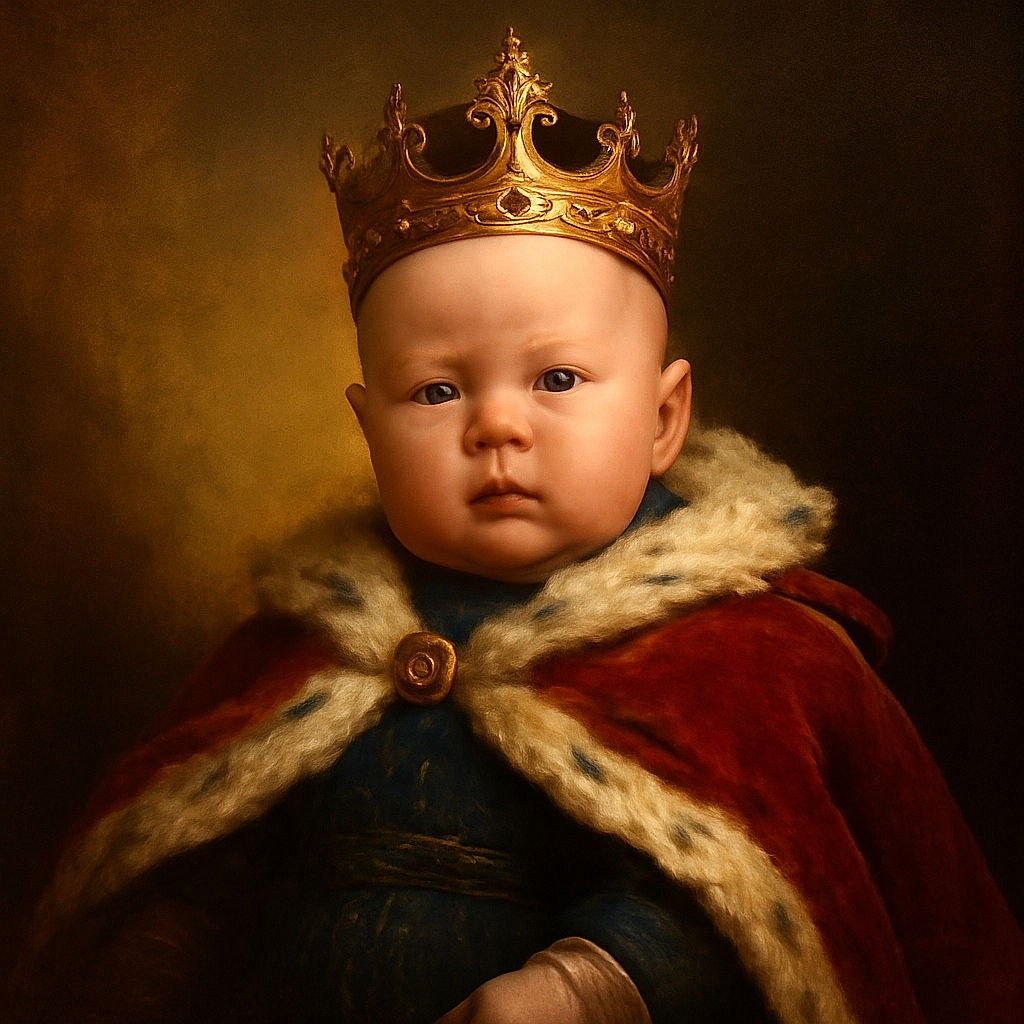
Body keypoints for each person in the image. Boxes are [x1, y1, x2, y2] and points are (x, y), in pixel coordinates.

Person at [10, 28, 1022, 1024]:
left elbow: (746, 901)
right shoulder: (294, 650)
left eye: (558, 378)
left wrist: (590, 986)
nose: (496, 425)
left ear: (662, 419)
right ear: (368, 433)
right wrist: (151, 960)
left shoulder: (747, 662)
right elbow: (217, 866)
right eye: (436, 389)